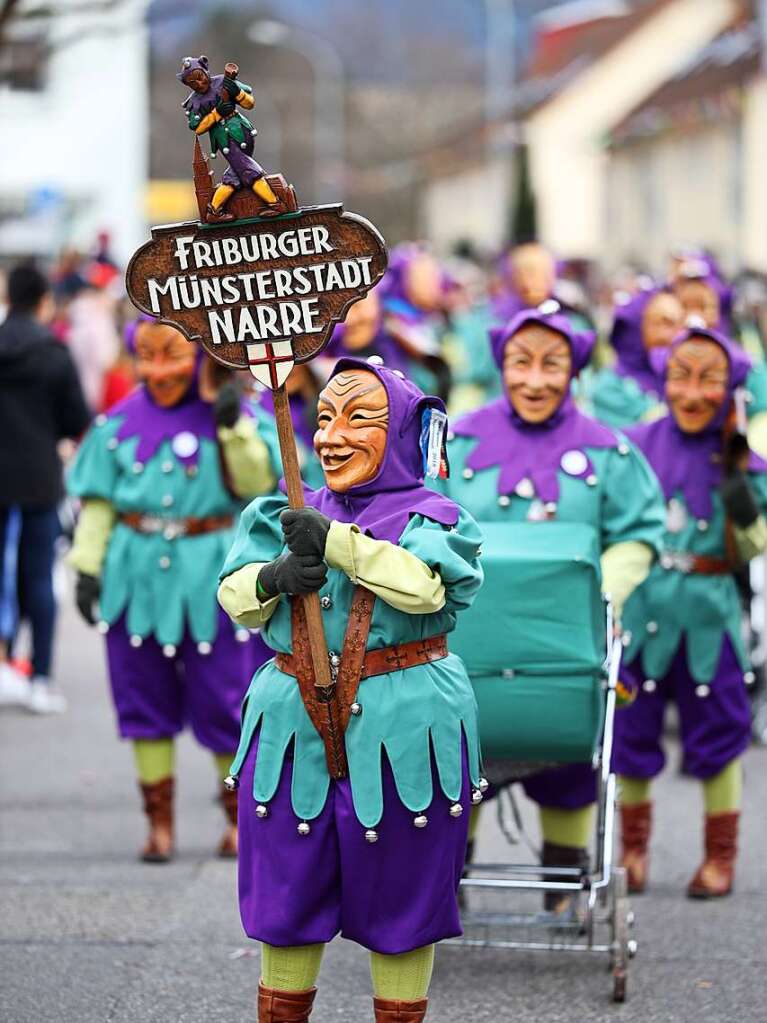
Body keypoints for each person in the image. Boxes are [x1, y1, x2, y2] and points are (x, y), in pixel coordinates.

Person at [218, 357, 483, 1022]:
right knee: (285, 892)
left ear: (399, 432)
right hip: (290, 724)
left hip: (406, 726)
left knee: (401, 895)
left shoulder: (435, 514)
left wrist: (336, 543)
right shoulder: (282, 508)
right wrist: (275, 575)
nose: (332, 435)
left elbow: (426, 585)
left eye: (358, 417)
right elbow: (232, 595)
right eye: (326, 416)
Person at [434, 301, 664, 914]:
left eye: (552, 364)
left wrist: (604, 592)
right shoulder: (457, 439)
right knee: (458, 758)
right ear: (501, 363)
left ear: (575, 370)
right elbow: (424, 522)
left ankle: (565, 890)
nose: (535, 379)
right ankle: (445, 882)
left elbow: (639, 531)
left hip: (568, 640)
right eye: (520, 362)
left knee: (568, 766)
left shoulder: (607, 451)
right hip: (470, 636)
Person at [67, 315, 279, 861]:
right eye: (147, 355)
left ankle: (237, 818)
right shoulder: (116, 424)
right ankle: (158, 823)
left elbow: (259, 484)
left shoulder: (233, 412)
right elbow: (99, 505)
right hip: (134, 578)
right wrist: (88, 568)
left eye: (173, 355)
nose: (159, 370)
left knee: (224, 698)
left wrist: (232, 425)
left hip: (212, 576)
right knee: (142, 696)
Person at [614, 323, 767, 899]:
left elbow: (753, 548)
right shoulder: (633, 445)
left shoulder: (743, 459)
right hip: (644, 610)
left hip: (709, 617)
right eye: (681, 376)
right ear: (663, 380)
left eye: (710, 380)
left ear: (731, 387)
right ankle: (632, 850)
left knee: (720, 733)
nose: (694, 393)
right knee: (631, 730)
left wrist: (737, 485)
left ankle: (719, 857)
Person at [0, 263, 91, 712]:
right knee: (38, 576)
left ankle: (3, 661)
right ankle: (39, 677)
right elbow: (76, 419)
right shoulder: (53, 351)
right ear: (42, 301)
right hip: (39, 476)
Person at [178, 55, 290, 223]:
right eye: (193, 83)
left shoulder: (224, 81)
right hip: (225, 139)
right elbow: (198, 128)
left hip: (242, 130)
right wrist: (217, 113)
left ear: (205, 71)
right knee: (248, 172)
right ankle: (275, 204)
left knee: (235, 176)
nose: (199, 84)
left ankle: (214, 211)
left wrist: (236, 92)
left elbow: (249, 103)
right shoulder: (195, 101)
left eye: (200, 78)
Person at [589, 287, 684, 428]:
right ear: (636, 328)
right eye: (662, 323)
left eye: (680, 323)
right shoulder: (610, 388)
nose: (677, 334)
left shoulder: (681, 379)